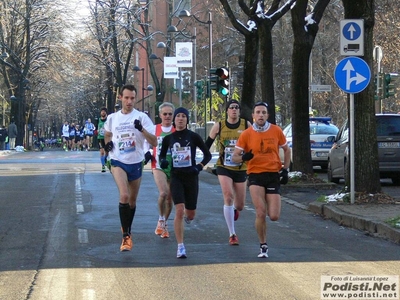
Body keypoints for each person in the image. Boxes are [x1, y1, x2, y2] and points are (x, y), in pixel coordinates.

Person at [232, 102, 291, 258]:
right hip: (255, 175)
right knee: (260, 212)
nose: (261, 115)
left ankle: (264, 241)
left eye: (264, 112)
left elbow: (286, 149)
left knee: (274, 216)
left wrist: (285, 169)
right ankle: (263, 245)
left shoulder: (276, 130)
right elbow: (234, 157)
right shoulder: (246, 134)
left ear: (267, 115)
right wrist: (244, 157)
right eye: (258, 112)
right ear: (253, 115)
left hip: (272, 174)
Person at [103, 84, 157, 252]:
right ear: (121, 98)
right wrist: (108, 144)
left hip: (136, 162)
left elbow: (154, 141)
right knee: (124, 195)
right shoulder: (112, 118)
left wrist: (141, 129)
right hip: (118, 160)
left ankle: (128, 228)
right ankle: (125, 236)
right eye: (126, 98)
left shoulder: (142, 117)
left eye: (132, 98)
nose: (129, 101)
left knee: (132, 202)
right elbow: (106, 134)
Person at [159, 107, 212, 258]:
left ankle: (188, 218)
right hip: (176, 177)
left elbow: (207, 155)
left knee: (190, 214)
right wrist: (163, 162)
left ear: (187, 120)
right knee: (179, 210)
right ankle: (180, 246)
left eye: (183, 116)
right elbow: (162, 156)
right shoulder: (168, 138)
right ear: (174, 120)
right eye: (178, 116)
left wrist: (199, 167)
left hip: (191, 177)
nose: (180, 119)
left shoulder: (193, 136)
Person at [205, 100, 252, 246]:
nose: (234, 110)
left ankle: (233, 211)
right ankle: (232, 234)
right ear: (227, 111)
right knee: (228, 195)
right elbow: (207, 145)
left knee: (240, 205)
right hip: (223, 166)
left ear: (239, 111)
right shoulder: (219, 125)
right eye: (231, 108)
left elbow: (253, 143)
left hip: (240, 167)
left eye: (237, 108)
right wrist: (200, 161)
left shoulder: (246, 125)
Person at [149, 102, 175, 239]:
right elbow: (145, 143)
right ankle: (160, 218)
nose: (167, 116)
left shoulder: (176, 130)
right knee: (163, 193)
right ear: (160, 115)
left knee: (170, 200)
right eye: (165, 114)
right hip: (158, 164)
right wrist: (147, 153)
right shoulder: (154, 129)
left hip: (174, 166)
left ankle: (164, 223)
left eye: (170, 114)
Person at [96, 107, 108, 172]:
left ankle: (105, 159)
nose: (103, 112)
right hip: (100, 138)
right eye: (102, 111)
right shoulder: (98, 120)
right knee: (102, 152)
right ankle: (103, 166)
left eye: (104, 111)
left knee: (107, 152)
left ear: (106, 113)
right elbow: (95, 129)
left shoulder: (108, 120)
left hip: (107, 138)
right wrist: (96, 131)